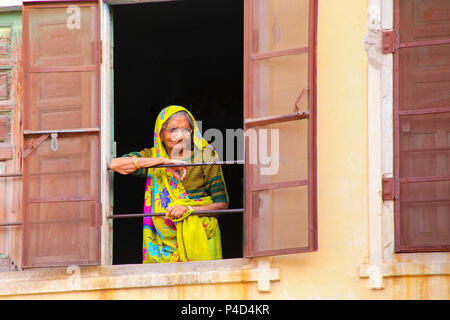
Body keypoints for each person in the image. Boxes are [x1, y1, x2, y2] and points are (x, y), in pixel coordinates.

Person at [110, 105, 228, 263]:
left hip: (199, 236)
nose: (179, 136)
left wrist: (189, 210)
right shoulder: (152, 157)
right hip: (162, 243)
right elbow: (115, 164)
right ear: (161, 133)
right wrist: (163, 162)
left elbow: (222, 205)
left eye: (185, 130)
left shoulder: (206, 156)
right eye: (172, 130)